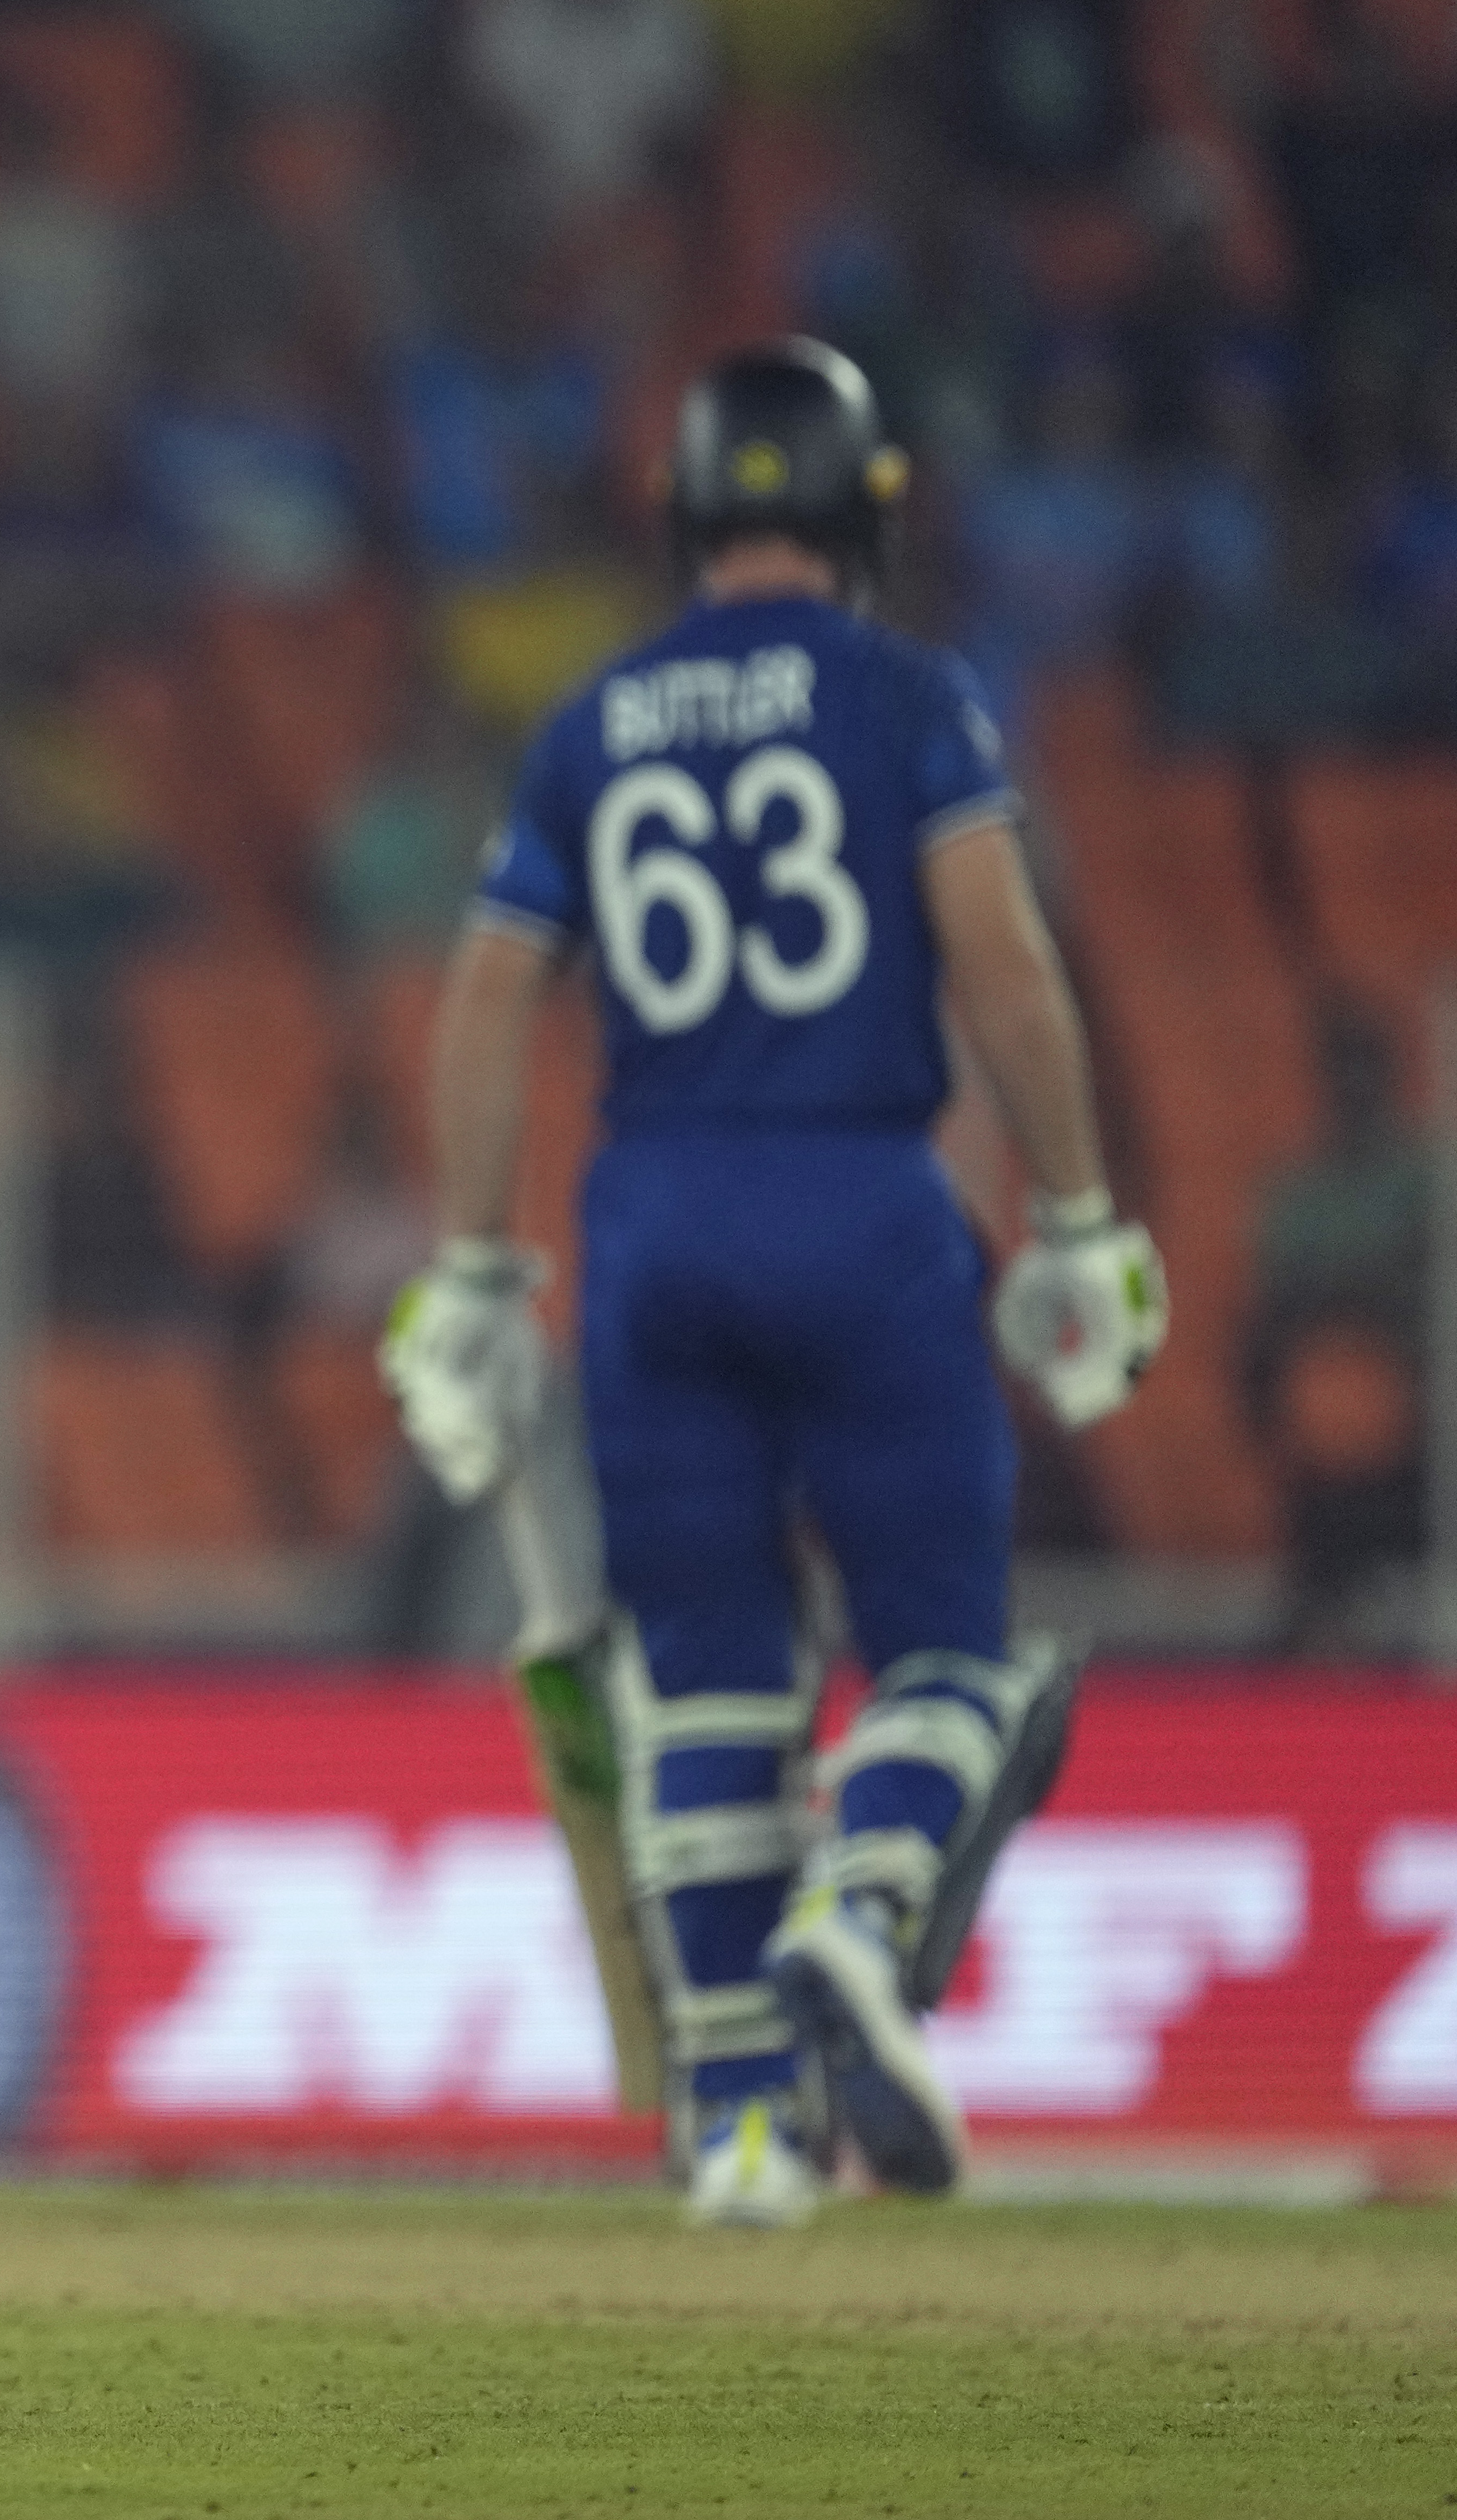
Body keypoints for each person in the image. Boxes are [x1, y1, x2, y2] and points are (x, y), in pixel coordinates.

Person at [379, 339, 1168, 2228]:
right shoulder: (908, 699)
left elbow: (491, 995)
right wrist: (1074, 1216)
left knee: (706, 1694)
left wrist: (475, 1267)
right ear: (860, 514)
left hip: (646, 1227)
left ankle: (739, 2127)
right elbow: (1003, 962)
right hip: (860, 1202)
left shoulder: (593, 723)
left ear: (682, 517)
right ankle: (863, 1900)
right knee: (949, 1655)